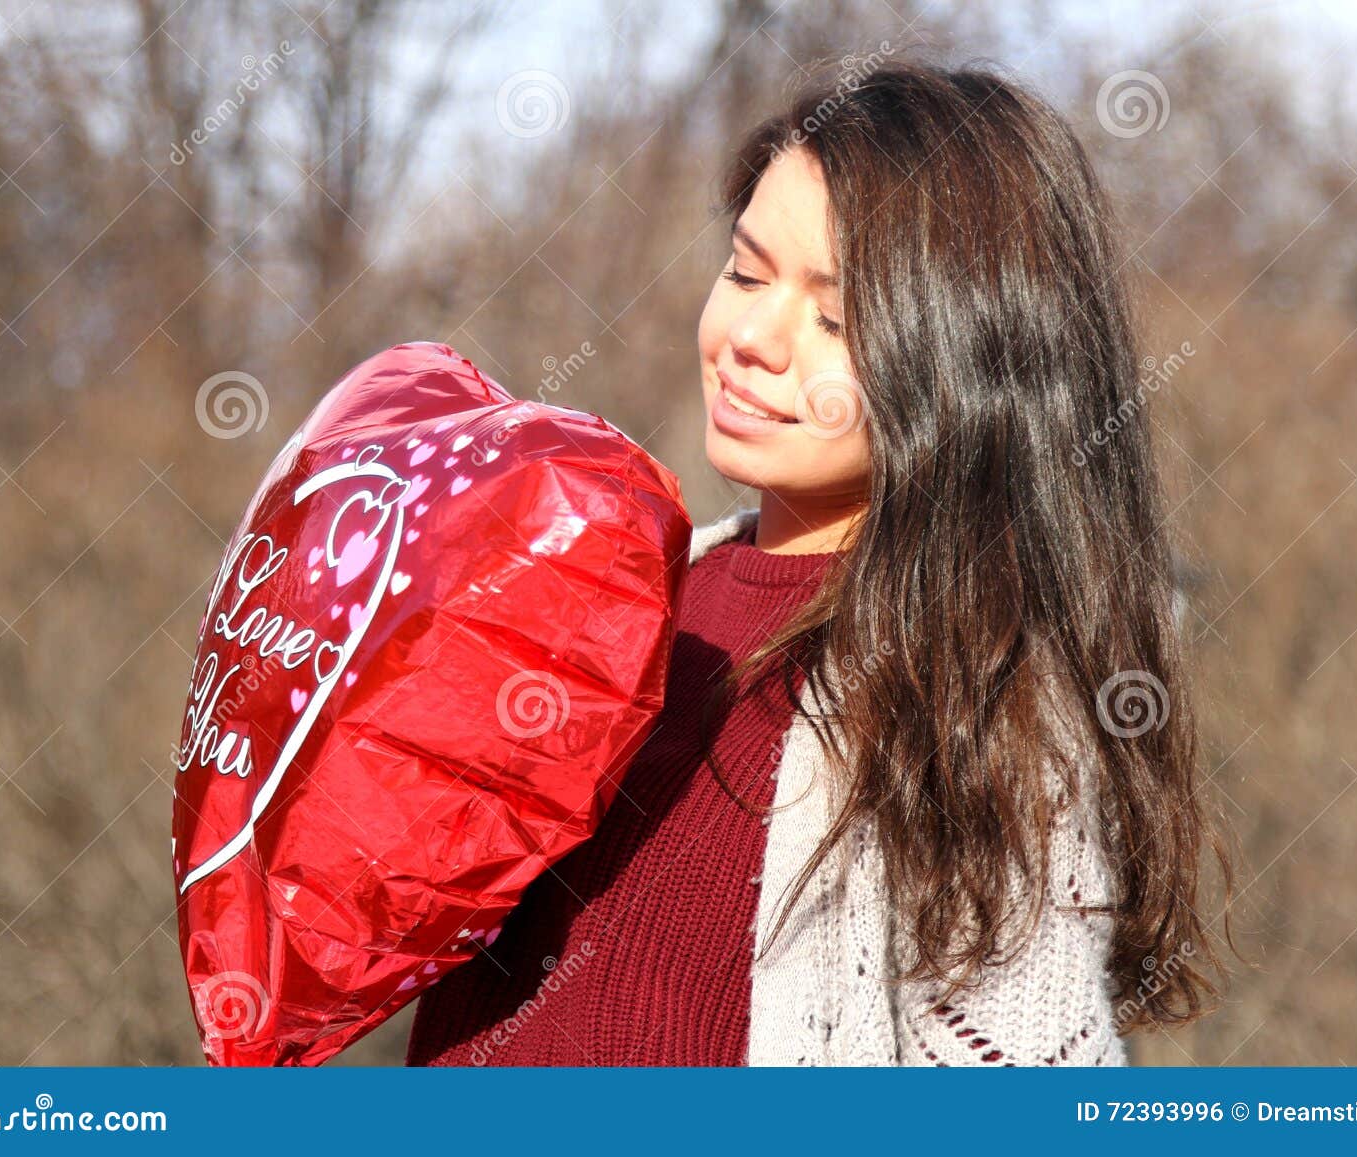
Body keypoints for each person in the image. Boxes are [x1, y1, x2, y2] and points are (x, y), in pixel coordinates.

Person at [405, 58, 1233, 1067]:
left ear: (969, 363)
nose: (752, 336)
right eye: (746, 273)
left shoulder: (983, 712)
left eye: (834, 319)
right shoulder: (614, 609)